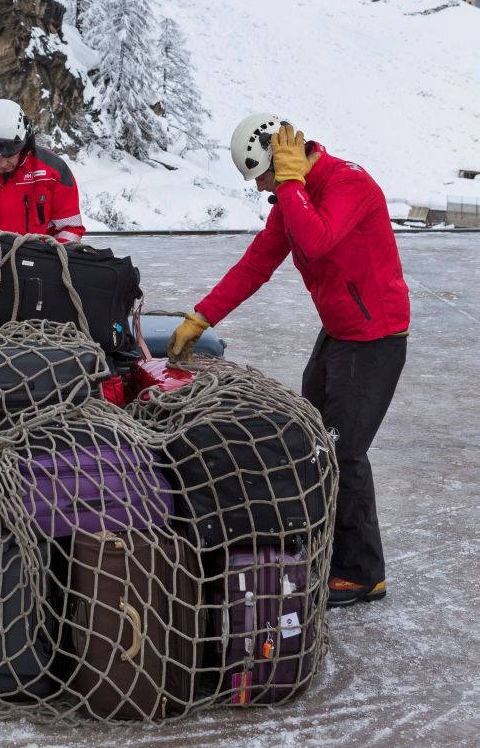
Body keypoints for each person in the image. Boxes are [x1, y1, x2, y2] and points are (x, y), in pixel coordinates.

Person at [168, 114, 409, 608]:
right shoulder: (292, 200)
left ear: (278, 161)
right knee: (313, 442)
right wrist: (201, 317)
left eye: (261, 176)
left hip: (375, 337)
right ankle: (325, 551)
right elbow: (256, 264)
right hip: (340, 333)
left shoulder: (349, 184)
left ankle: (363, 573)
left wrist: (294, 185)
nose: (260, 188)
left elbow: (319, 238)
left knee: (344, 450)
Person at [0, 98, 86, 243]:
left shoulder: (53, 172)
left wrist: (47, 258)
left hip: (41, 260)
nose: (1, 164)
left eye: (9, 154)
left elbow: (70, 228)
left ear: (23, 143)